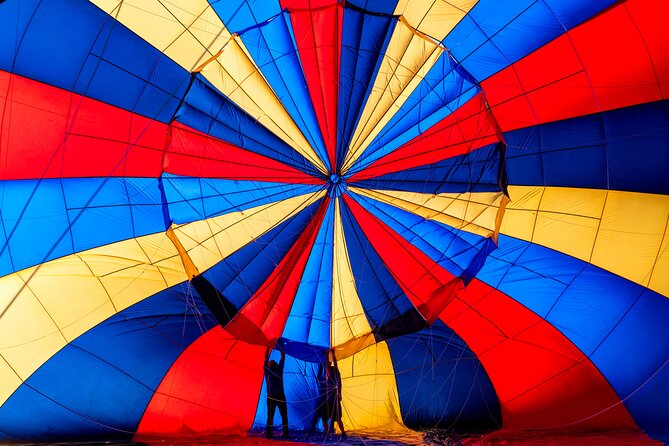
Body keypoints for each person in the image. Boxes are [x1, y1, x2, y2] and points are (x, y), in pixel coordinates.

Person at [317, 351, 346, 438]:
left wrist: (326, 354)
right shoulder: (337, 374)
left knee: (324, 418)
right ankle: (343, 432)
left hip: (329, 401)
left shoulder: (331, 374)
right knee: (338, 418)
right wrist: (333, 354)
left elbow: (328, 365)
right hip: (335, 400)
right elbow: (335, 365)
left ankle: (326, 432)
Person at [264, 344, 288, 439]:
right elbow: (283, 357)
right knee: (283, 415)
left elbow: (266, 357)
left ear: (271, 365)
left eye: (271, 361)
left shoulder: (267, 371)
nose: (271, 360)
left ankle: (269, 434)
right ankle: (285, 433)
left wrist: (268, 346)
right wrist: (280, 347)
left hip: (272, 397)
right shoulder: (278, 370)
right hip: (279, 396)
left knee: (271, 416)